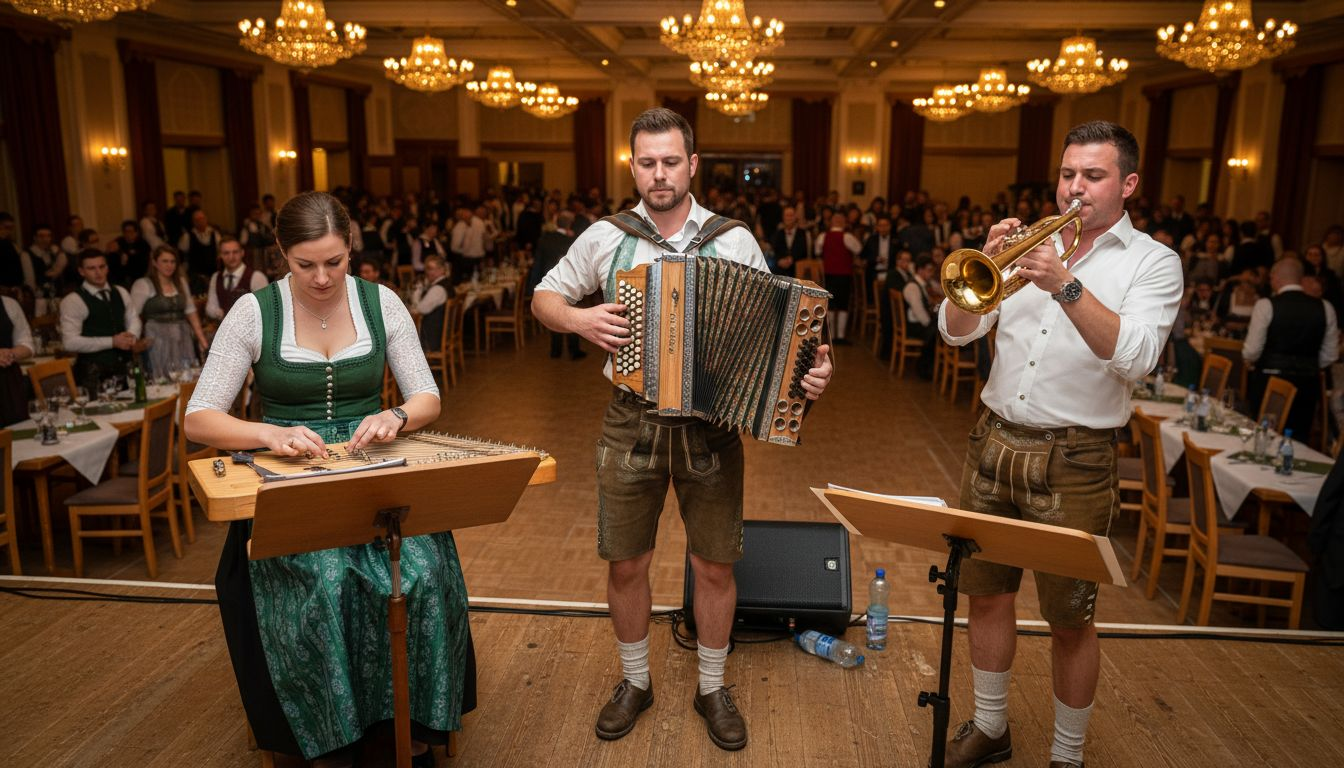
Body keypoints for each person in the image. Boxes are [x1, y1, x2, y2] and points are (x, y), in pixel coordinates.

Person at [531, 107, 833, 752]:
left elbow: (779, 334)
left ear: (692, 165)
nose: (659, 174)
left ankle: (712, 686)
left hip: (711, 428)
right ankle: (635, 681)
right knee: (626, 562)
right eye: (647, 162)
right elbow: (543, 298)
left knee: (716, 565)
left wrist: (810, 370)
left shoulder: (734, 240)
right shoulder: (607, 236)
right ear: (632, 165)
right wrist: (581, 322)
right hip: (629, 421)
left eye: (671, 161)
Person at [183, 191, 468, 768]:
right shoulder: (253, 310)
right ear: (282, 254)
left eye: (334, 262)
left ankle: (407, 722)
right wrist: (267, 433)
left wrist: (396, 416)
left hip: (375, 472)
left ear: (351, 248)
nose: (321, 277)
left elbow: (428, 398)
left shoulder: (381, 302)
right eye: (304, 264)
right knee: (324, 582)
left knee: (426, 574)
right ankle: (329, 734)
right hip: (289, 478)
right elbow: (199, 419)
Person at [937, 121, 1183, 768]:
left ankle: (1067, 757)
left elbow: (1136, 358)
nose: (1075, 188)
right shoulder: (1026, 243)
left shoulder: (1153, 262)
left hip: (1076, 460)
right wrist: (986, 265)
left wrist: (1064, 285)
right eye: (1069, 173)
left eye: (1093, 176)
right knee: (985, 593)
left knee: (1070, 618)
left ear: (1128, 184)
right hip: (992, 442)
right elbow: (957, 333)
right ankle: (991, 726)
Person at [1243, 257, 1339, 438]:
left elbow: (1251, 351)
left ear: (1276, 278)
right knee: (1297, 438)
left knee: (1264, 435)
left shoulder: (1266, 305)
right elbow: (1330, 355)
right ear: (1301, 279)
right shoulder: (1325, 307)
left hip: (1269, 381)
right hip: (1307, 383)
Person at [59, 250, 148, 387]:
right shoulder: (73, 301)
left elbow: (133, 318)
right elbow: (70, 342)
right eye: (91, 268)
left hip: (124, 367)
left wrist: (131, 335)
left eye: (101, 267)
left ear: (107, 268)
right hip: (93, 373)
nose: (98, 272)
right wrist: (112, 342)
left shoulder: (120, 291)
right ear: (81, 271)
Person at [130, 245, 208, 379]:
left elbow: (190, 310)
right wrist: (134, 341)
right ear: (154, 262)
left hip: (182, 335)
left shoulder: (180, 282)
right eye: (164, 261)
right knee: (163, 375)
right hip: (157, 336)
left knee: (187, 374)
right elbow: (133, 315)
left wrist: (202, 340)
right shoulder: (143, 284)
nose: (169, 265)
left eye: (172, 261)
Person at [529, 211, 584, 360]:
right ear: (570, 224)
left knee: (554, 314)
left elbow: (538, 263)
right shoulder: (573, 241)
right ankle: (574, 350)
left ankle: (555, 350)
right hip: (569, 283)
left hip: (549, 281)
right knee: (571, 315)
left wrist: (533, 285)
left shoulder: (544, 239)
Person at [815, 210, 861, 345]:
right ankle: (839, 336)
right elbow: (858, 249)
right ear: (844, 223)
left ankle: (830, 336)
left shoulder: (823, 236)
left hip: (828, 275)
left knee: (830, 305)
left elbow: (817, 251)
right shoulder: (848, 237)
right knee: (842, 305)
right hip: (844, 276)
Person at [205, 238, 269, 322]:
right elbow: (210, 307)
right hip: (224, 330)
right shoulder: (216, 277)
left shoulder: (257, 277)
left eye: (235, 252)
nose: (231, 257)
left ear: (242, 253)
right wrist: (220, 313)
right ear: (220, 255)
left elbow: (266, 308)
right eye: (226, 253)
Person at [0, 292, 35, 425]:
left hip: (8, 382)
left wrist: (10, 354)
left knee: (18, 435)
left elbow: (27, 345)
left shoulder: (9, 304)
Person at [411, 254, 453, 351]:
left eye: (432, 269)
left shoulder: (438, 289)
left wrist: (417, 292)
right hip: (444, 334)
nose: (429, 272)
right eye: (428, 269)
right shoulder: (447, 284)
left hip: (432, 339)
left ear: (442, 270)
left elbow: (420, 309)